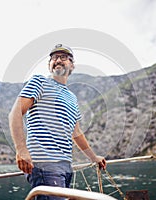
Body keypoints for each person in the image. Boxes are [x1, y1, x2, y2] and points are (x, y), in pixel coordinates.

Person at [8, 44, 106, 199]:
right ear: (49, 65)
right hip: (44, 165)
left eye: (63, 57)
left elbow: (77, 132)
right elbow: (15, 113)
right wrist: (21, 149)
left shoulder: (72, 98)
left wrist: (94, 158)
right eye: (54, 57)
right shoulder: (39, 82)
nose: (58, 60)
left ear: (72, 65)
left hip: (66, 167)